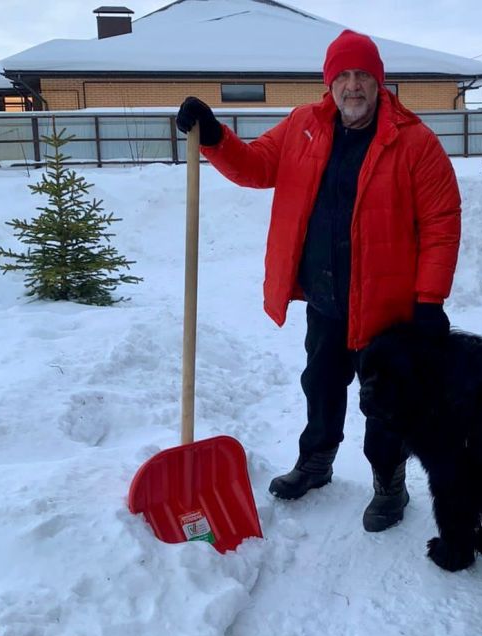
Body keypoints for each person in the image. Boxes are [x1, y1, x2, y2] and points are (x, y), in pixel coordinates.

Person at [176, 29, 461, 532]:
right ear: (329, 83)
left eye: (363, 76)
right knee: (321, 384)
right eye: (343, 76)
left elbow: (441, 222)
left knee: (386, 401)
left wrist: (429, 300)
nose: (353, 86)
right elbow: (256, 166)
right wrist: (216, 137)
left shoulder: (414, 140)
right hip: (327, 296)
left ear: (379, 82)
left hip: (386, 306)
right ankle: (316, 462)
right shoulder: (303, 127)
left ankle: (389, 482)